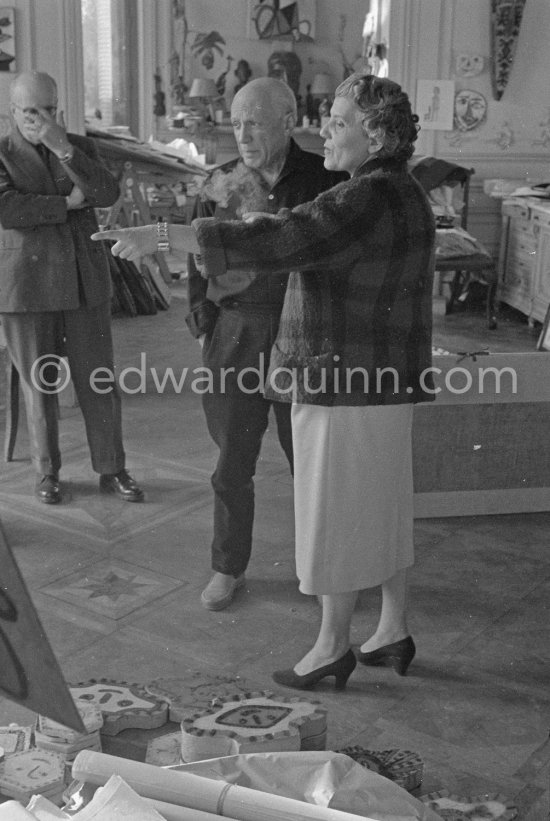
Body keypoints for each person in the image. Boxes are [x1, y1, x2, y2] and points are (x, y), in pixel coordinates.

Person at [93, 72, 435, 688]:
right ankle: (391, 628)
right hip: (383, 379)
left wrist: (165, 235)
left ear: (376, 134)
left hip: (343, 380)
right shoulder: (399, 190)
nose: (323, 129)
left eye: (337, 121)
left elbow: (284, 236)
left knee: (334, 508)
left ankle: (332, 646)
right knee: (383, 503)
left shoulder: (363, 195)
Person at [185, 77, 343, 610]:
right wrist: (203, 318)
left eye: (254, 121)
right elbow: (194, 254)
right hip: (234, 335)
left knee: (311, 462)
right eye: (235, 122)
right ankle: (227, 568)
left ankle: (323, 571)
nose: (243, 132)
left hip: (303, 331)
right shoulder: (218, 183)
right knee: (232, 461)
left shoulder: (327, 180)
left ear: (287, 119)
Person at [0, 71, 143, 505]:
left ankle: (112, 468)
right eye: (31, 111)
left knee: (99, 380)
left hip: (84, 282)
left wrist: (63, 148)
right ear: (12, 112)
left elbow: (104, 193)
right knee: (38, 385)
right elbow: (6, 209)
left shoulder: (80, 146)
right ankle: (47, 473)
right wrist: (66, 204)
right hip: (25, 286)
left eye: (50, 110)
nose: (41, 119)